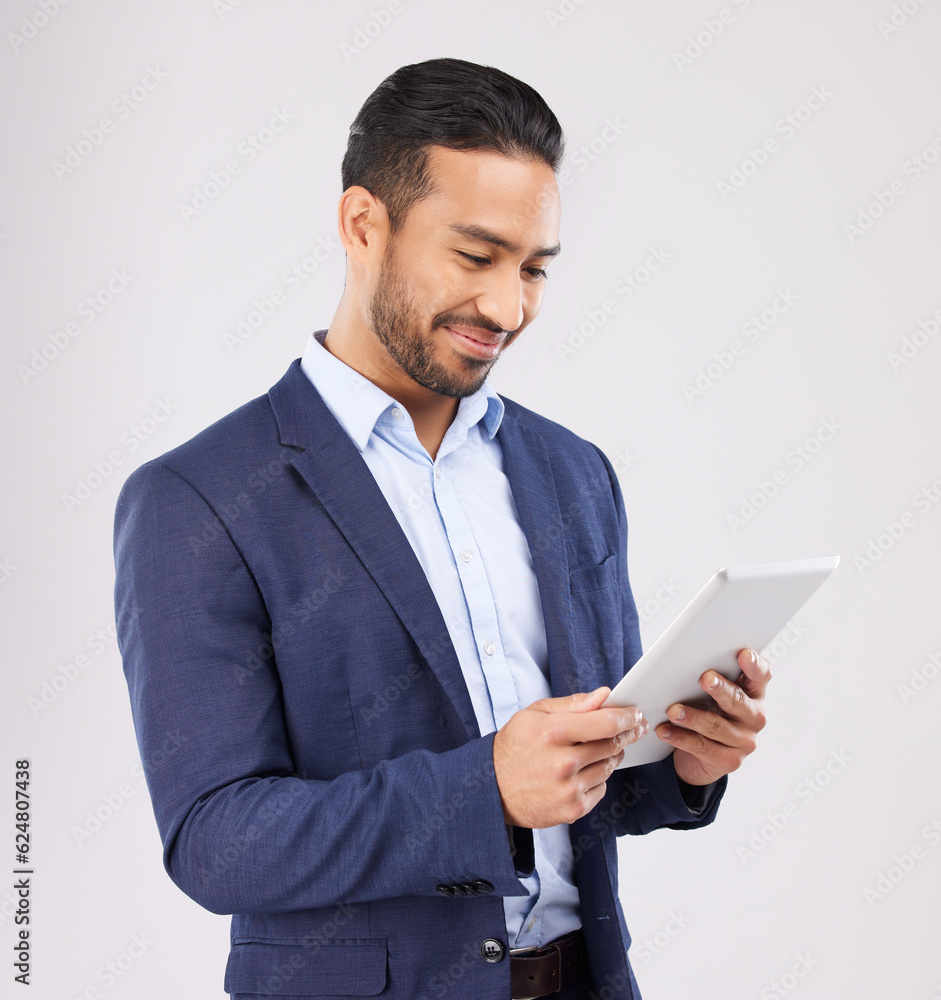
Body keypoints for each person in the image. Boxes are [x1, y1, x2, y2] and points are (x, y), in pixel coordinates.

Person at [113, 57, 770, 1000]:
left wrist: (684, 765)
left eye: (534, 268)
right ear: (361, 224)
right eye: (475, 257)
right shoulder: (197, 499)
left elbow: (595, 791)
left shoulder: (572, 473)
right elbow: (216, 843)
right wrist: (481, 791)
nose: (507, 309)